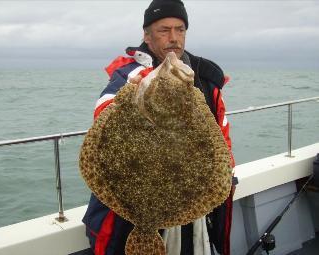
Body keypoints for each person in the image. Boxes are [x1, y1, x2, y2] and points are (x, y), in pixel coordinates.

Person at [82, 0, 237, 254]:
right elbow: (103, 110)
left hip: (189, 214)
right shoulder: (127, 76)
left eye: (180, 29)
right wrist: (134, 90)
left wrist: (218, 181)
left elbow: (221, 142)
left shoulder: (206, 79)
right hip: (128, 216)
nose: (174, 38)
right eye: (164, 30)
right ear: (147, 35)